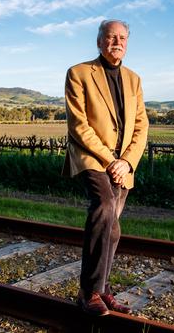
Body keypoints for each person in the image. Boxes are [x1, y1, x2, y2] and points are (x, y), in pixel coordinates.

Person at [62, 19, 149, 316]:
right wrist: (110, 160)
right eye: (110, 37)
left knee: (112, 227)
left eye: (122, 37)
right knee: (104, 205)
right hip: (91, 156)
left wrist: (127, 162)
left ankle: (103, 290)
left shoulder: (134, 79)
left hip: (123, 164)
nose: (117, 42)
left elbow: (141, 126)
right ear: (99, 42)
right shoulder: (79, 73)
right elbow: (78, 126)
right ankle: (89, 293)